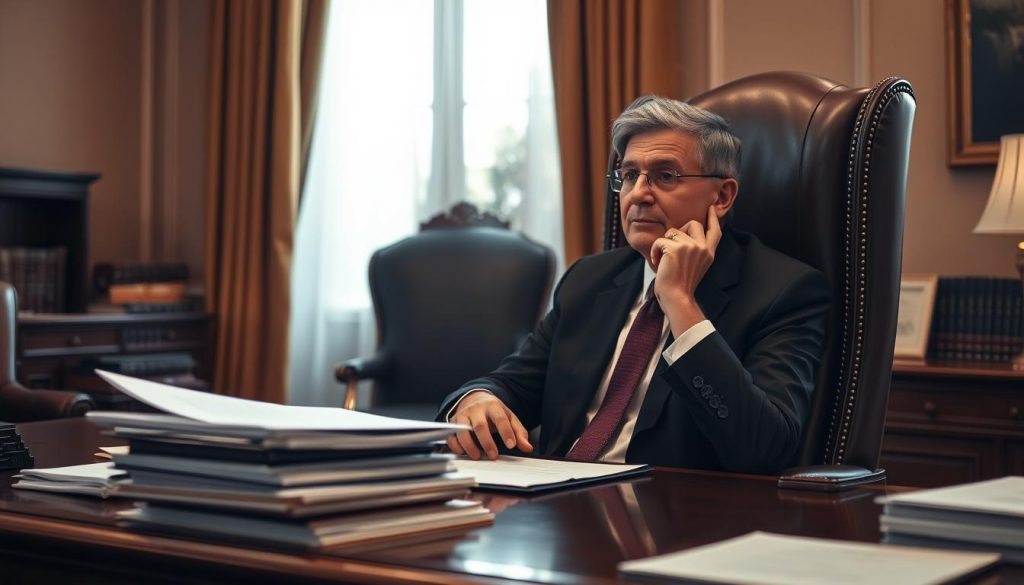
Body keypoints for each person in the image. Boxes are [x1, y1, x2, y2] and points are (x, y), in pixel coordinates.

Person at [437, 96, 830, 473]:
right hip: (555, 506)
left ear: (722, 196)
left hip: (676, 516)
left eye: (665, 175)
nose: (638, 194)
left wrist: (679, 301)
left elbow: (764, 449)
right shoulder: (589, 280)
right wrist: (476, 399)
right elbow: (511, 385)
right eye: (629, 175)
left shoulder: (785, 292)